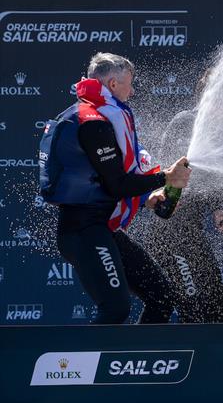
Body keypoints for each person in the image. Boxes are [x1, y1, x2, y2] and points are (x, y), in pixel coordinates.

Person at [39, 52, 191, 324]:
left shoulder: (102, 116)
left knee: (162, 297)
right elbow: (117, 185)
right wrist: (166, 178)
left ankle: (137, 364)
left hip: (104, 228)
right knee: (114, 310)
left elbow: (116, 176)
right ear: (111, 84)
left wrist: (149, 197)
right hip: (83, 231)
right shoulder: (91, 122)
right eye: (129, 84)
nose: (132, 92)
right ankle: (81, 366)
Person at [145, 68, 223, 323]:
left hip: (191, 233)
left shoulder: (221, 135)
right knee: (192, 310)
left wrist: (219, 209)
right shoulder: (185, 121)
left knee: (217, 310)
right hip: (169, 234)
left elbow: (214, 182)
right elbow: (165, 171)